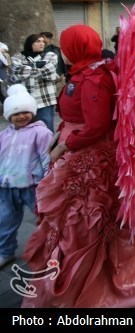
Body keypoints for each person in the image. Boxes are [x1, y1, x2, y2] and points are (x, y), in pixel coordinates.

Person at [23, 24, 135, 307]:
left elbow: (96, 126)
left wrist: (64, 145)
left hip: (88, 156)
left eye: (65, 46)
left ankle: (85, 276)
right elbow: (76, 115)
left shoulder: (93, 78)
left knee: (84, 216)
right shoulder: (85, 72)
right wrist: (61, 132)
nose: (61, 52)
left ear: (76, 48)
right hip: (77, 146)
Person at [0, 84, 51, 270]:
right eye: (16, 113)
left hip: (32, 186)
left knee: (44, 219)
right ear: (8, 116)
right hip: (7, 187)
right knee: (4, 221)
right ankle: (5, 251)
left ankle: (51, 248)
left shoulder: (41, 133)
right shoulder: (4, 135)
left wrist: (48, 181)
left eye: (25, 112)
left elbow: (47, 158)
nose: (21, 116)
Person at [10, 34, 59, 133]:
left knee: (46, 127)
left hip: (45, 99)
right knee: (26, 128)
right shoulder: (18, 56)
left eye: (43, 41)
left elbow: (50, 71)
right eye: (38, 41)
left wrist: (27, 70)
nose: (42, 44)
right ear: (30, 43)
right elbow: (18, 72)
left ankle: (47, 144)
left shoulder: (50, 55)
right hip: (25, 99)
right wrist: (40, 70)